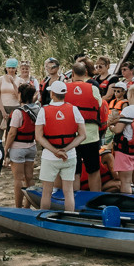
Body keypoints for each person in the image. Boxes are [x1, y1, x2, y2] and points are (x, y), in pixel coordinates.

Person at [37, 81, 85, 212]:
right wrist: (65, 150)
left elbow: (39, 136)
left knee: (46, 192)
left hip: (49, 156)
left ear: (52, 94)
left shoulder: (43, 111)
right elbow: (82, 135)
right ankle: (70, 218)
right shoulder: (74, 109)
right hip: (69, 156)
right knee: (68, 191)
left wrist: (55, 151)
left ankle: (44, 220)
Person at [64, 63, 106, 192]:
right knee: (93, 170)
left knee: (75, 172)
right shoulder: (93, 88)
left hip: (72, 137)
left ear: (72, 73)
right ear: (86, 73)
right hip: (91, 136)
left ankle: (75, 200)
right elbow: (99, 104)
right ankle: (95, 199)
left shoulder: (65, 88)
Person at [6, 88, 41, 206]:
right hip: (31, 146)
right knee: (29, 178)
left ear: (21, 94)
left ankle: (18, 207)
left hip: (18, 148)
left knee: (19, 179)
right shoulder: (38, 109)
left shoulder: (18, 112)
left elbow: (12, 133)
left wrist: (5, 149)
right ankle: (27, 206)